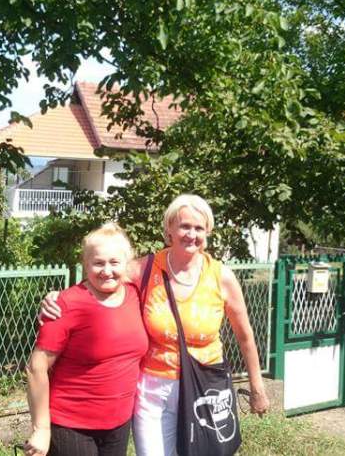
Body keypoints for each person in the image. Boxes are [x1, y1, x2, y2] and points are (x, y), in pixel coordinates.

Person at [41, 194, 270, 456]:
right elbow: (103, 277)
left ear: (208, 231)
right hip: (153, 389)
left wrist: (257, 388)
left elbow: (245, 337)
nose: (191, 234)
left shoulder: (221, 276)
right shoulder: (146, 269)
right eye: (184, 226)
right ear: (169, 228)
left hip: (205, 387)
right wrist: (58, 298)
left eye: (199, 228)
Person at [24, 223, 148, 456]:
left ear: (126, 263)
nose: (107, 271)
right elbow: (35, 368)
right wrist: (41, 428)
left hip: (119, 424)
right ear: (85, 264)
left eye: (114, 262)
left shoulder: (135, 294)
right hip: (72, 425)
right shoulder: (66, 304)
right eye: (98, 263)